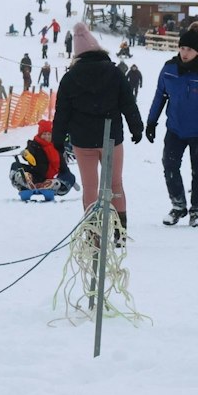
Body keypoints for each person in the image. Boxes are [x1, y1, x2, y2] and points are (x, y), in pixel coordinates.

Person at [52, 22, 144, 235]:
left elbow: (62, 111)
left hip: (83, 140)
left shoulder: (70, 78)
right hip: (112, 138)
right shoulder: (114, 73)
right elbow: (128, 103)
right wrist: (136, 127)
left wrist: (58, 139)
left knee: (90, 187)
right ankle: (119, 232)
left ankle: (93, 232)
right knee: (115, 184)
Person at [147, 24, 198, 228]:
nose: (185, 53)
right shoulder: (169, 70)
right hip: (175, 129)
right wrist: (151, 122)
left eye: (189, 50)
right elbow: (160, 96)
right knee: (170, 166)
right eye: (182, 48)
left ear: (197, 51)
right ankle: (178, 206)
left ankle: (196, 212)